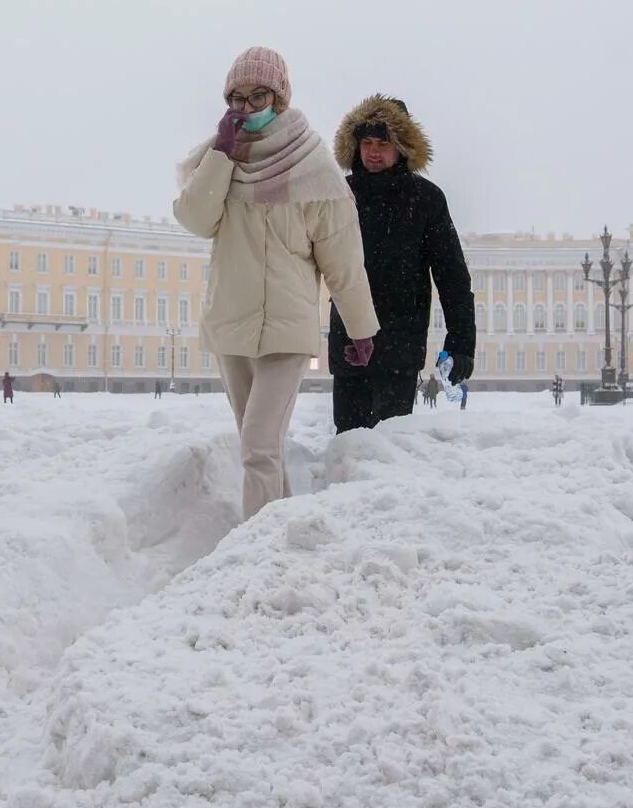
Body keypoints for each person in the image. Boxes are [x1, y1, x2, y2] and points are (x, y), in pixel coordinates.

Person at [175, 46, 379, 520]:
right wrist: (222, 155)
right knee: (260, 445)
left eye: (257, 95)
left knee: (259, 445)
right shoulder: (218, 158)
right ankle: (280, 538)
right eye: (236, 98)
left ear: (281, 96)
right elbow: (195, 218)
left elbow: (343, 262)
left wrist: (361, 328)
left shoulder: (315, 168)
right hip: (232, 326)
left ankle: (252, 549)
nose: (246, 107)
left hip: (287, 330)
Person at [325, 96, 475, 434]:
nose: (374, 152)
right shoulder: (338, 196)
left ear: (402, 148)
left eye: (384, 143)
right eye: (367, 142)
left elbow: (452, 277)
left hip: (400, 348)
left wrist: (461, 342)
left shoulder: (426, 199)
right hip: (348, 341)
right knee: (347, 443)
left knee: (393, 447)